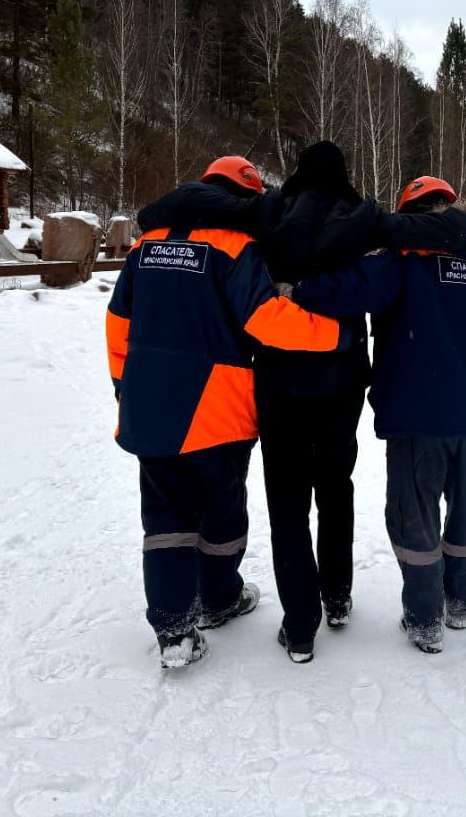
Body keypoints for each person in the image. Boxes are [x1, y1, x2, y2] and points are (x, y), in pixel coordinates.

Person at [137, 144, 466, 663]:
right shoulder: (365, 217)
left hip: (278, 380)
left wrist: (293, 289)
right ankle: (337, 596)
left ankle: (301, 625)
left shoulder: (269, 213)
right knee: (335, 487)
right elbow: (381, 282)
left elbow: (213, 212)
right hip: (341, 379)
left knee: (287, 502)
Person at [105, 155, 348, 669]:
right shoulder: (235, 246)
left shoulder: (145, 247)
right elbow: (266, 320)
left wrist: (123, 385)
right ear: (244, 199)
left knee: (166, 519)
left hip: (150, 409)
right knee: (221, 511)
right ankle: (219, 599)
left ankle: (174, 631)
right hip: (218, 408)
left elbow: (117, 323)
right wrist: (333, 334)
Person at [290, 176, 466, 654]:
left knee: (414, 520)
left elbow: (347, 291)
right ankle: (460, 604)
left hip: (418, 417)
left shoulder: (403, 262)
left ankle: (424, 620)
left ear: (409, 216)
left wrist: (297, 288)